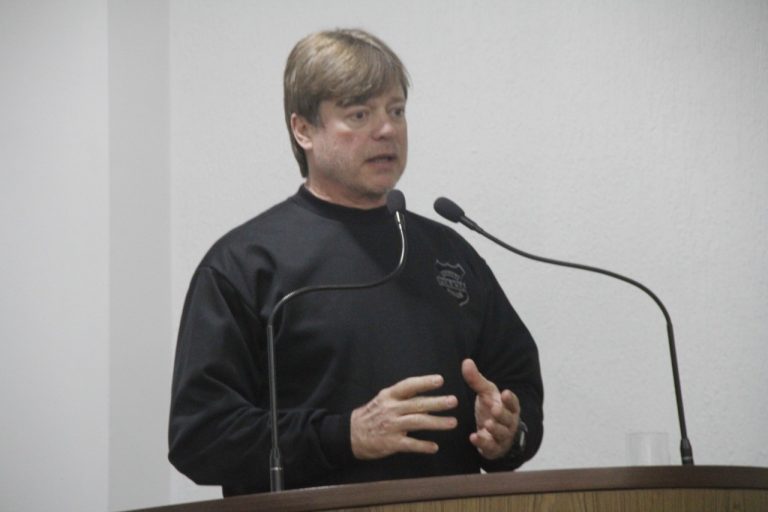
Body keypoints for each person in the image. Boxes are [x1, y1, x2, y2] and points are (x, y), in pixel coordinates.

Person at [168, 28, 543, 496]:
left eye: (396, 111)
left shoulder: (449, 253)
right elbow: (200, 437)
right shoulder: (245, 265)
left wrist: (507, 433)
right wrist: (345, 435)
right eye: (359, 114)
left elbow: (518, 387)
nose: (386, 129)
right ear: (303, 129)